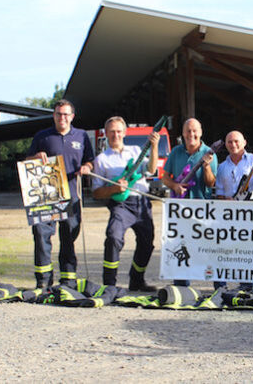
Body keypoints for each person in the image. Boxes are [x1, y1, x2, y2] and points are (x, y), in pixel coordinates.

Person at [26, 99, 94, 288]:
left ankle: (68, 279)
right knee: (41, 234)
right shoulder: (42, 136)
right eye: (58, 114)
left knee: (69, 237)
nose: (62, 117)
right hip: (46, 196)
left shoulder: (81, 136)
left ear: (72, 116)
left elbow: (90, 161)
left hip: (71, 196)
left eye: (66, 114)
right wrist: (35, 157)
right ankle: (43, 280)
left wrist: (87, 168)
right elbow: (27, 160)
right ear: (54, 116)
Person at [92, 116, 158, 292]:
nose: (116, 135)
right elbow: (96, 192)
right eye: (112, 132)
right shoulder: (101, 160)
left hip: (142, 202)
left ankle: (137, 281)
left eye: (119, 131)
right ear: (106, 134)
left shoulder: (136, 151)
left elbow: (151, 169)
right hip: (121, 205)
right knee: (113, 237)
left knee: (147, 243)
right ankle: (109, 285)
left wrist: (154, 146)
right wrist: (113, 189)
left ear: (125, 132)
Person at [162, 118, 218, 287]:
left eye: (194, 131)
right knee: (180, 246)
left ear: (200, 133)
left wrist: (207, 167)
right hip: (180, 210)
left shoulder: (209, 153)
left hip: (203, 208)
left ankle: (218, 286)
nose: (191, 134)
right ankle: (181, 285)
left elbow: (211, 183)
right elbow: (165, 177)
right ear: (183, 133)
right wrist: (175, 186)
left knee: (209, 248)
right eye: (188, 131)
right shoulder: (176, 152)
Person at [215, 130, 253, 291]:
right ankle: (221, 286)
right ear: (226, 145)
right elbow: (218, 193)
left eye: (236, 141)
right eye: (230, 142)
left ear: (244, 142)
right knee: (225, 248)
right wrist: (227, 201)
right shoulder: (222, 167)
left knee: (249, 249)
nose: (233, 145)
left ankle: (248, 285)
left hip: (252, 210)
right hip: (229, 213)